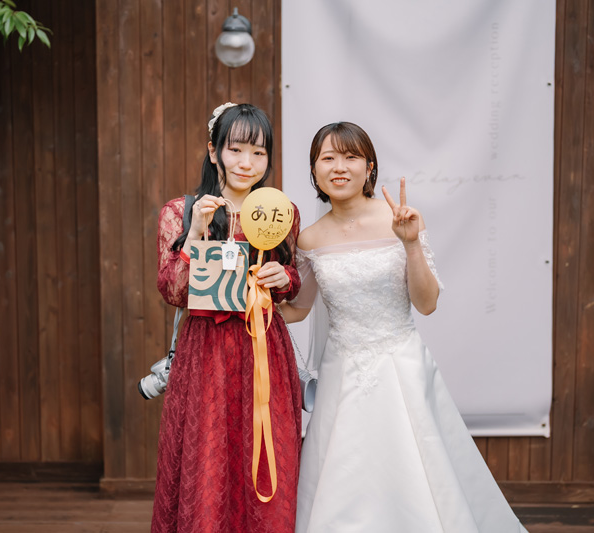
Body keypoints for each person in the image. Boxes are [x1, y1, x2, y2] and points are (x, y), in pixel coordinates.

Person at [279, 122, 529, 532]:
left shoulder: (400, 219)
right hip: (342, 372)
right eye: (328, 158)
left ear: (369, 168)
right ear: (314, 170)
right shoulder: (309, 239)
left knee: (416, 468)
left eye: (351, 157)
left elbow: (427, 304)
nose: (339, 167)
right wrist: (248, 298)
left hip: (402, 363)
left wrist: (410, 242)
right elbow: (298, 309)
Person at [153, 103, 302, 533]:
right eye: (235, 149)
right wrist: (196, 231)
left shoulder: (281, 212)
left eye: (258, 153)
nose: (246, 163)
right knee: (208, 463)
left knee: (266, 457)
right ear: (213, 151)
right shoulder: (180, 211)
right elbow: (173, 290)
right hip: (206, 353)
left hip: (263, 349)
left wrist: (284, 277)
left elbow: (291, 280)